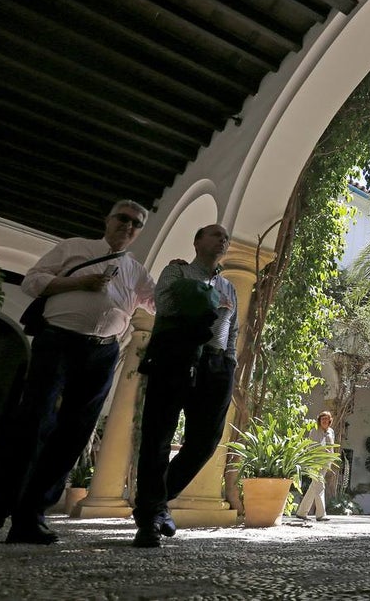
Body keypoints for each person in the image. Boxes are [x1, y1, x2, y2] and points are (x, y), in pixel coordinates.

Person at [0, 200, 155, 545]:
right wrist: (77, 283)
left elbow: (156, 303)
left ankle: (31, 517)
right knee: (33, 423)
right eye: (122, 218)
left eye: (136, 224)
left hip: (103, 353)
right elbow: (33, 281)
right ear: (107, 219)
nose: (128, 226)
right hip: (58, 343)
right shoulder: (76, 248)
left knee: (73, 435)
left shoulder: (136, 270)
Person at [132, 224, 239, 548]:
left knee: (205, 441)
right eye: (215, 234)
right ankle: (149, 518)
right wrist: (206, 300)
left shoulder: (229, 286)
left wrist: (230, 359)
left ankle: (157, 501)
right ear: (197, 241)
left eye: (226, 237)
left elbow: (231, 327)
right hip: (177, 355)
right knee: (159, 435)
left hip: (218, 363)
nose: (223, 239)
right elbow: (165, 306)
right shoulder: (176, 272)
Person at [295, 411, 336, 523]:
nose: (325, 421)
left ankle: (301, 512)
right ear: (319, 420)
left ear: (329, 420)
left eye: (327, 419)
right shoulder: (314, 431)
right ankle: (321, 515)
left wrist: (331, 461)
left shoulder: (331, 432)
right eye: (322, 419)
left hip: (326, 463)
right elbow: (310, 447)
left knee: (313, 487)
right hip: (315, 462)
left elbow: (332, 448)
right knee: (319, 486)